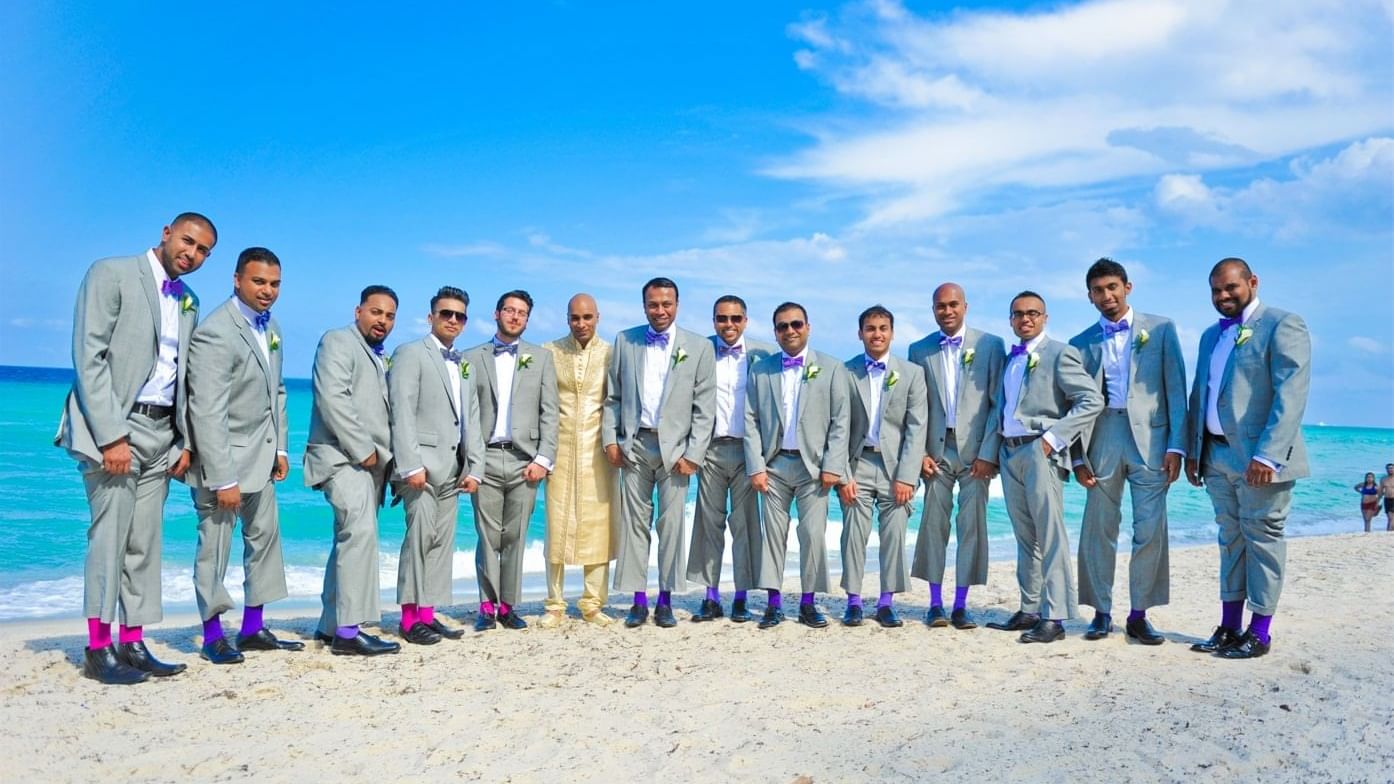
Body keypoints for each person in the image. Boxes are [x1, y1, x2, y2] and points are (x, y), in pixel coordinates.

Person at [57, 212, 215, 684]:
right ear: (167, 233)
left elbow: (181, 376)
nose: (192, 253)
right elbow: (90, 357)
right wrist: (112, 436)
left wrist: (183, 440)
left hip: (162, 433)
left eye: (203, 250)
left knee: (144, 544)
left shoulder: (189, 299)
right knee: (109, 539)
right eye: (187, 241)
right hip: (117, 427)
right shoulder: (111, 273)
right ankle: (98, 648)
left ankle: (133, 641)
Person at [1185, 258, 1311, 659]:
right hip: (1215, 456)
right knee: (1231, 541)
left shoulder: (1282, 324)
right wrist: (1193, 450)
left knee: (1263, 541)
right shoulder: (1210, 336)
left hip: (1259, 460)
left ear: (1252, 282)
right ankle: (1229, 626)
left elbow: (1291, 394)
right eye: (1216, 290)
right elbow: (1200, 394)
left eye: (1231, 288)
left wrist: (1269, 456)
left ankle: (1260, 632)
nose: (1223, 296)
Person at [187, 247, 301, 663]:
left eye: (274, 284)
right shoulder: (217, 330)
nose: (268, 291)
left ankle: (254, 627)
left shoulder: (272, 330)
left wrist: (281, 446)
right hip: (224, 465)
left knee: (265, 543)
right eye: (259, 282)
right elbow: (207, 409)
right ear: (237, 280)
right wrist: (222, 477)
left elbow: (279, 392)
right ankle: (213, 634)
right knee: (214, 547)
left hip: (263, 459)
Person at [1068, 259, 1187, 646]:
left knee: (1150, 528)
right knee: (1098, 529)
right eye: (1099, 290)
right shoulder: (1079, 343)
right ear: (1089, 297)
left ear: (1128, 287)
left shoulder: (1162, 330)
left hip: (1151, 442)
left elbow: (1176, 390)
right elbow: (1072, 404)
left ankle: (1139, 615)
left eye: (1113, 287)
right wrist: (1077, 457)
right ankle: (1100, 612)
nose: (1107, 296)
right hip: (1101, 436)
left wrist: (1177, 446)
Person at [985, 291, 1102, 643]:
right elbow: (1001, 409)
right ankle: (1030, 608)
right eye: (1018, 314)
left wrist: (1054, 439)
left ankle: (1057, 616)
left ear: (1045, 317)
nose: (1026, 319)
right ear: (1010, 320)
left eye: (1033, 313)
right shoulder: (1010, 358)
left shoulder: (1059, 353)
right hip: (1009, 452)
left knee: (1051, 537)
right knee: (1026, 537)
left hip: (1040, 451)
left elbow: (1091, 400)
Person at [603, 277, 716, 629]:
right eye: (653, 304)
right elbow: (613, 397)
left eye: (666, 304)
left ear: (677, 305)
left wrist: (694, 454)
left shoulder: (698, 347)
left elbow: (704, 408)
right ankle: (638, 599)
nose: (660, 310)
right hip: (634, 446)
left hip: (677, 451)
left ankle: (665, 598)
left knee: (671, 526)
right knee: (634, 525)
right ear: (644, 306)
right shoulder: (625, 340)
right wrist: (611, 440)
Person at [304, 285, 404, 656]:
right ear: (358, 310)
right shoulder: (337, 341)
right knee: (359, 536)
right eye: (376, 312)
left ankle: (331, 626)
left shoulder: (379, 354)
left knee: (348, 539)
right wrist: (364, 451)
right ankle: (349, 633)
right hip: (343, 458)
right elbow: (332, 397)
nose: (383, 320)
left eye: (390, 315)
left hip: (368, 465)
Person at [745, 302, 851, 629]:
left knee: (812, 534)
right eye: (782, 326)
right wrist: (756, 466)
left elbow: (840, 421)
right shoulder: (762, 371)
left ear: (808, 326)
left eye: (796, 324)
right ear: (775, 332)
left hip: (814, 469)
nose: (790, 331)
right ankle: (773, 603)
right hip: (774, 465)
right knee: (773, 536)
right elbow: (750, 418)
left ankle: (808, 603)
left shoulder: (832, 368)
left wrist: (833, 466)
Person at [389, 286, 485, 645]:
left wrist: (475, 468)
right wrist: (410, 465)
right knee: (417, 541)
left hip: (453, 471)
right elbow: (401, 412)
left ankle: (428, 615)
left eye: (459, 315)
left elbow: (471, 419)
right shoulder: (411, 354)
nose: (453, 320)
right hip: (421, 471)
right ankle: (408, 619)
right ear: (431, 317)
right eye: (446, 313)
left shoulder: (463, 364)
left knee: (440, 545)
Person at [908, 283, 1005, 630]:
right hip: (937, 450)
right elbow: (915, 407)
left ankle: (961, 604)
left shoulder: (991, 345)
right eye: (940, 306)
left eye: (953, 305)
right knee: (933, 524)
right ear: (933, 309)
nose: (947, 311)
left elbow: (998, 403)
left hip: (977, 450)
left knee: (972, 525)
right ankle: (935, 603)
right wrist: (919, 453)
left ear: (965, 306)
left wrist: (989, 453)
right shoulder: (918, 350)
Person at [463, 290, 559, 631]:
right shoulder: (471, 357)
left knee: (515, 536)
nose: (515, 317)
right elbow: (465, 413)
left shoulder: (542, 358)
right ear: (496, 313)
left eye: (521, 313)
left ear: (527, 319)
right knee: (487, 536)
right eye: (509, 310)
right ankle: (486, 607)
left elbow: (551, 413)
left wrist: (543, 459)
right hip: (485, 457)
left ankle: (508, 606)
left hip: (525, 461)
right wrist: (469, 461)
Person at [687, 295, 777, 623]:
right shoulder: (699, 351)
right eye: (722, 319)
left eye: (735, 318)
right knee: (708, 526)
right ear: (713, 321)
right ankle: (710, 597)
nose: (729, 325)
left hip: (748, 451)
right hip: (708, 450)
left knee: (746, 526)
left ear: (746, 320)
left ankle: (741, 595)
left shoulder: (763, 354)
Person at [837, 305, 927, 628]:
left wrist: (907, 476)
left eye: (883, 328)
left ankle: (887, 602)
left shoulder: (912, 373)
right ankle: (854, 601)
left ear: (892, 332)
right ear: (860, 333)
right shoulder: (844, 372)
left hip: (896, 467)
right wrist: (842, 475)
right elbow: (838, 426)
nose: (877, 334)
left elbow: (917, 428)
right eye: (871, 328)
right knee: (853, 534)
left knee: (894, 535)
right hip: (857, 462)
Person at [540, 294, 617, 628]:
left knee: (599, 524)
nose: (581, 324)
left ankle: (592, 603)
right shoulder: (549, 352)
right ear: (567, 318)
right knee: (556, 524)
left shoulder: (611, 354)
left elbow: (617, 401)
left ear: (598, 317)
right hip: (558, 447)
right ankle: (554, 604)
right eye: (575, 318)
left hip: (599, 449)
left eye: (587, 317)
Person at [1381, 464, 1394, 532]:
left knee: (1392, 518)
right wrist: (1377, 501)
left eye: (1392, 468)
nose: (1390, 470)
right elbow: (1380, 491)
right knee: (1390, 518)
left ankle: (1389, 532)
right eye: (1389, 468)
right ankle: (1389, 532)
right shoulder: (1383, 479)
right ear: (1386, 470)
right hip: (1387, 500)